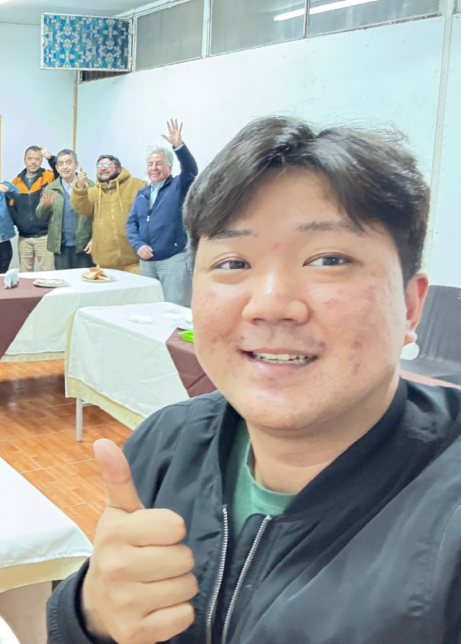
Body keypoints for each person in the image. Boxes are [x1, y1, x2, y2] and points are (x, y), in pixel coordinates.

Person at [48, 117, 461, 644]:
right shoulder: (166, 444)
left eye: (328, 259)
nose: (270, 304)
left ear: (409, 304)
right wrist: (90, 617)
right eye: (233, 261)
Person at [127, 120, 199, 306]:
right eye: (150, 164)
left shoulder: (179, 186)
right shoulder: (142, 193)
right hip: (146, 262)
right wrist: (138, 245)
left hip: (173, 259)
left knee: (174, 307)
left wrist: (179, 146)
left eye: (158, 163)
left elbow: (191, 169)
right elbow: (131, 224)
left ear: (169, 167)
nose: (154, 168)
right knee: (149, 306)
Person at [71, 153, 145, 273]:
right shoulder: (93, 192)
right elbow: (80, 208)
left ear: (119, 168)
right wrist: (80, 186)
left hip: (135, 261)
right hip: (106, 263)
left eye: (107, 164)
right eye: (99, 166)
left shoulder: (137, 185)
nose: (102, 168)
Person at [36, 149, 94, 270]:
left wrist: (94, 239)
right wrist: (45, 205)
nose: (65, 167)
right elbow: (40, 215)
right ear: (56, 168)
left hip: (85, 247)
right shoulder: (51, 188)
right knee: (64, 284)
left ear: (76, 165)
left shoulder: (90, 186)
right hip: (61, 247)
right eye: (61, 164)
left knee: (85, 285)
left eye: (69, 162)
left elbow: (99, 216)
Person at [11, 145, 58, 272]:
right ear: (24, 160)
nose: (33, 162)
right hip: (24, 238)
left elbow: (62, 175)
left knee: (48, 275)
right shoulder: (16, 182)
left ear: (41, 161)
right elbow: (11, 208)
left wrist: (51, 159)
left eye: (37, 159)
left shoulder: (48, 176)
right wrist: (20, 223)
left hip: (44, 237)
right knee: (25, 277)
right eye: (30, 158)